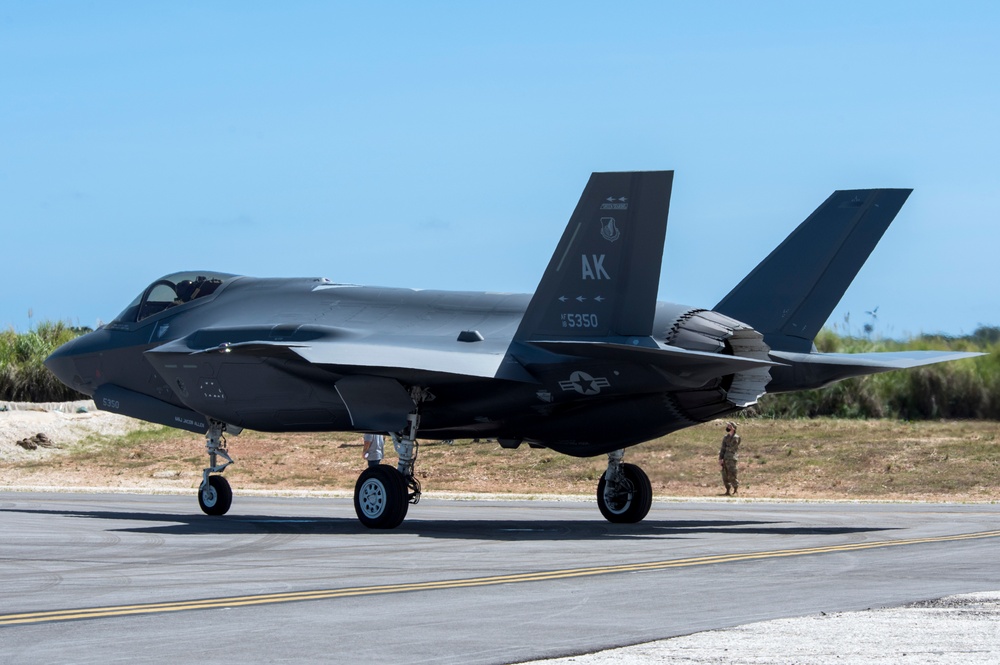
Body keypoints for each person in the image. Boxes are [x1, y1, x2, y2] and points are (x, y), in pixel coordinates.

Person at [718, 421, 741, 495]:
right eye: (727, 426)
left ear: (733, 428)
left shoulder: (736, 438)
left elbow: (733, 447)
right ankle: (727, 490)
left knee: (732, 473)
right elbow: (723, 448)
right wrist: (720, 458)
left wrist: (727, 449)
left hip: (731, 458)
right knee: (725, 474)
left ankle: (735, 489)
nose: (727, 427)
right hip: (725, 458)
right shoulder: (725, 437)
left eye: (729, 426)